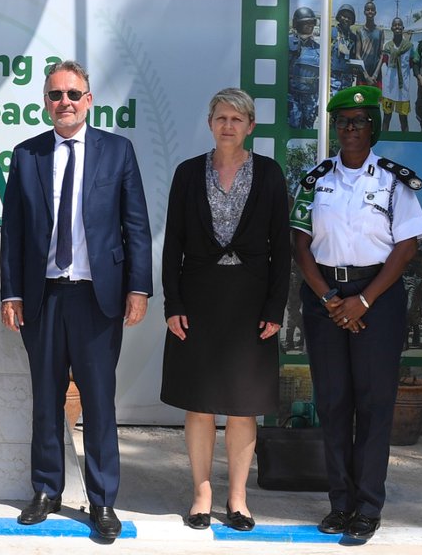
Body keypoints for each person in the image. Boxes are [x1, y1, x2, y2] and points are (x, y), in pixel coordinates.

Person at [0, 60, 152, 541]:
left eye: (72, 93)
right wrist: (13, 292)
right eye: (54, 94)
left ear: (89, 100)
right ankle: (46, 490)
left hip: (97, 298)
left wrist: (139, 288)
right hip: (43, 299)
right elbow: (15, 234)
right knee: (45, 402)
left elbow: (136, 227)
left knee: (100, 403)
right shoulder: (27, 155)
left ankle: (103, 499)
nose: (63, 102)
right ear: (45, 102)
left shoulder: (117, 151)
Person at [290, 85, 422, 541]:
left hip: (378, 297)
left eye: (359, 121)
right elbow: (301, 245)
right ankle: (340, 503)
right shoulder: (316, 179)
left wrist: (363, 300)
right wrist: (331, 299)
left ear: (374, 128)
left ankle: (368, 506)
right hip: (325, 296)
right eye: (343, 122)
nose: (350, 130)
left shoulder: (393, 182)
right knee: (332, 403)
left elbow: (406, 248)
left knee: (372, 405)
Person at [160, 88, 290, 532]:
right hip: (197, 299)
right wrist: (172, 302)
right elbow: (172, 242)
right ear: (210, 123)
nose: (228, 125)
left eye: (237, 119)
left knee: (243, 406)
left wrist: (276, 306)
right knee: (199, 405)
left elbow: (283, 248)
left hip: (251, 302)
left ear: (250, 126)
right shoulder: (187, 173)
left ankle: (237, 497)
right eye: (221, 117)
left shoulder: (270, 174)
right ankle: (201, 492)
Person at [288, 7, 322, 129]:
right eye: (306, 22)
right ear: (298, 23)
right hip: (292, 98)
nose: (310, 25)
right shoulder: (287, 44)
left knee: (309, 129)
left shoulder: (319, 49)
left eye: (312, 22)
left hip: (311, 99)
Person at [378, 16, 413, 132]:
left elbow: (414, 62)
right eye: (395, 25)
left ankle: (406, 143)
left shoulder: (409, 47)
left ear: (403, 28)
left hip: (403, 90)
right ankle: (384, 141)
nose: (397, 26)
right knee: (386, 118)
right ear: (392, 28)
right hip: (389, 88)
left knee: (403, 119)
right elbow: (382, 62)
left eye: (399, 25)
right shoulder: (387, 47)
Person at [331, 4, 362, 91]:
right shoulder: (331, 32)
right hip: (332, 78)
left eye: (349, 18)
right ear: (339, 17)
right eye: (344, 16)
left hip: (347, 80)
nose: (347, 19)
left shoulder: (353, 37)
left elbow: (354, 56)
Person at [358, 0, 383, 88]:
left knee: (375, 101)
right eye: (368, 10)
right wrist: (366, 75)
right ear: (364, 12)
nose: (370, 12)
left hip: (376, 75)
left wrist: (375, 74)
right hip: (363, 73)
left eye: (372, 10)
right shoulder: (360, 31)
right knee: (361, 100)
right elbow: (358, 55)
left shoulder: (380, 31)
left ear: (375, 12)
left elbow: (381, 55)